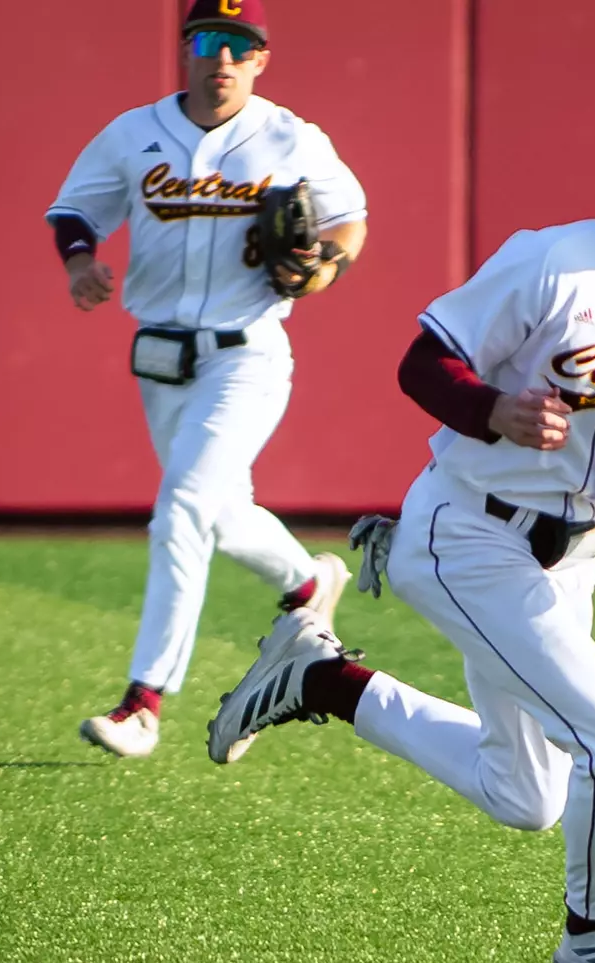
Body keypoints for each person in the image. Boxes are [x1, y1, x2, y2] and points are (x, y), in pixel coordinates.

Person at [206, 84, 595, 963]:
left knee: (528, 795)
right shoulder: (556, 265)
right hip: (466, 532)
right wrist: (495, 409)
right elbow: (423, 363)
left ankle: (319, 677)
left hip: (573, 559)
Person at [45, 0, 368, 758]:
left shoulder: (291, 137)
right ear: (185, 50)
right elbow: (74, 210)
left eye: (240, 44)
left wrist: (327, 264)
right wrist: (80, 261)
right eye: (208, 40)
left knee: (182, 507)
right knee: (220, 514)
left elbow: (349, 216)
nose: (222, 57)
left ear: (260, 59)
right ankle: (305, 582)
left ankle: (145, 701)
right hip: (160, 357)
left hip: (247, 353)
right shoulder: (134, 132)